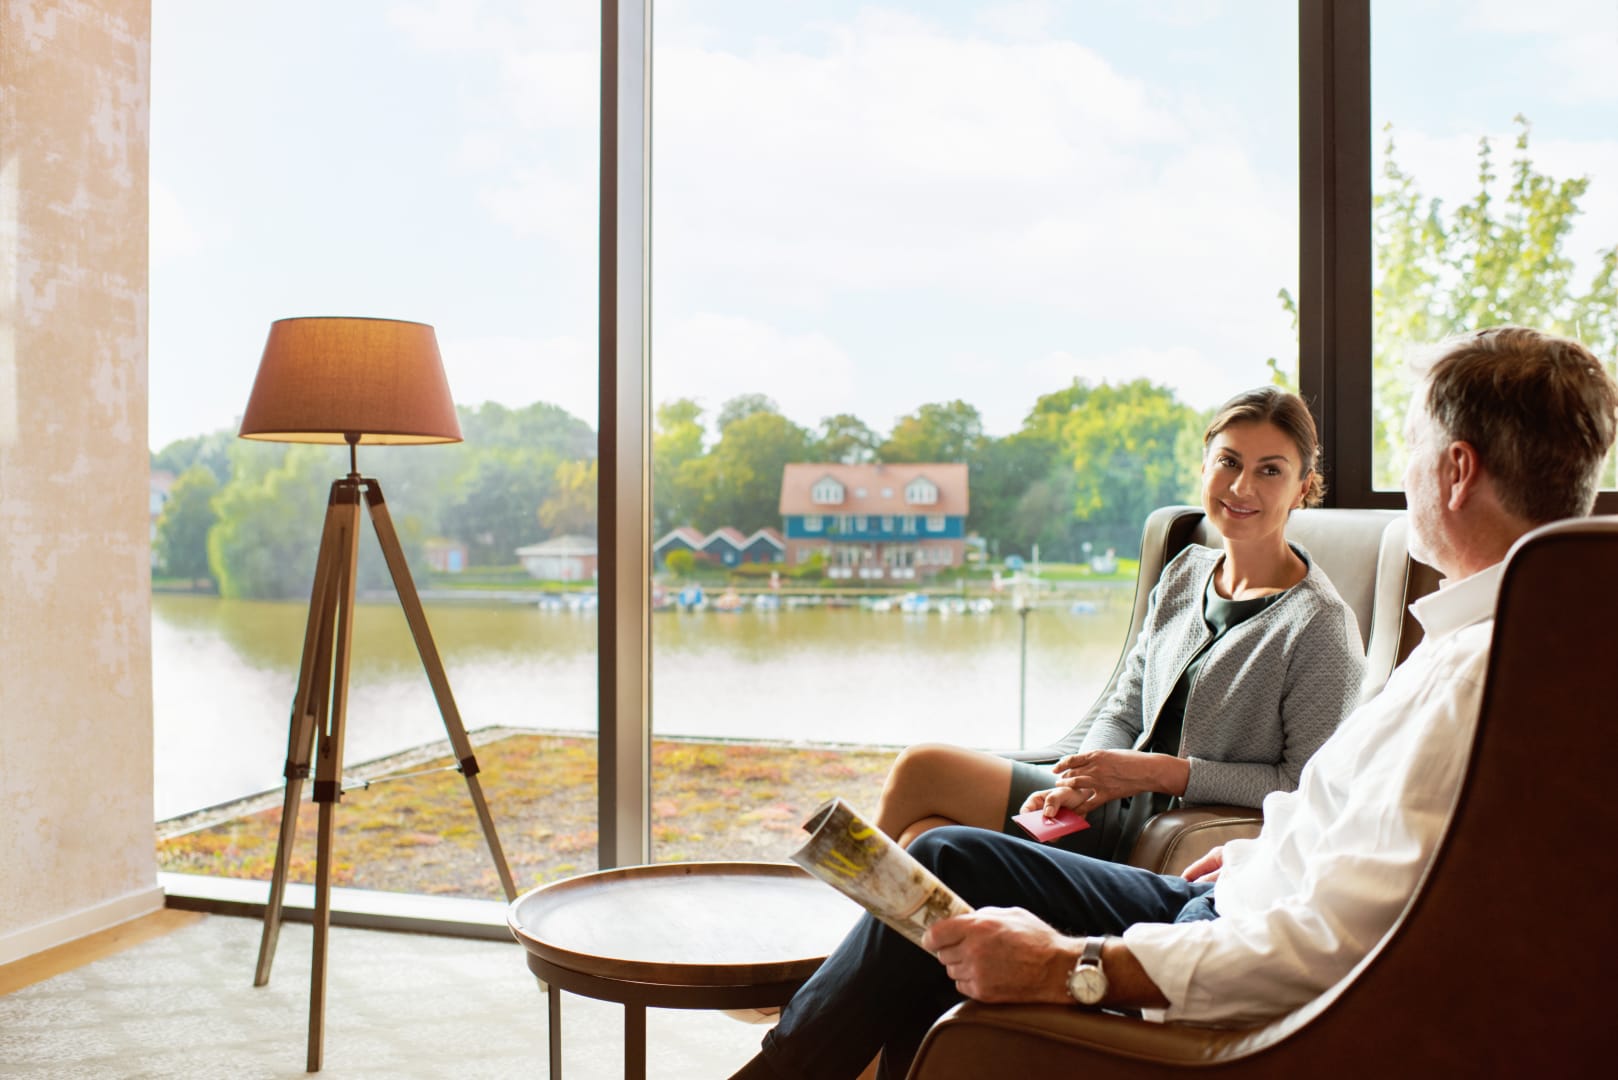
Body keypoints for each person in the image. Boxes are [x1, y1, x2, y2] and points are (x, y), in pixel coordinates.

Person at [732, 326, 1618, 1080]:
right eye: (1228, 462)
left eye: (1412, 444)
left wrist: (1070, 968)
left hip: (1234, 968)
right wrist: (1258, 854)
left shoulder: (1472, 682)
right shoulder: (1478, 643)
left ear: (1455, 470)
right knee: (947, 856)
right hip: (1228, 896)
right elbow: (1350, 846)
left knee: (947, 894)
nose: (1407, 470)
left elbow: (1326, 949)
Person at [875, 386, 1365, 864]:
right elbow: (1124, 709)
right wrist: (1078, 782)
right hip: (1100, 807)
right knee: (924, 838)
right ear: (1204, 467)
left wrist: (1161, 773)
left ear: (1302, 488)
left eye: (1270, 470)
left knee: (923, 768)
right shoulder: (1185, 572)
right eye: (1229, 462)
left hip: (1174, 831)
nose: (1241, 487)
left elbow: (1303, 785)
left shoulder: (1320, 626)